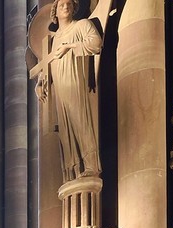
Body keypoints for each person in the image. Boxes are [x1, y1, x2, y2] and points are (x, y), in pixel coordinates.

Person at [32, 0, 103, 181]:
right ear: (54, 11)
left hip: (74, 79)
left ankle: (91, 165)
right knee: (65, 130)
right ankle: (72, 171)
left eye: (69, 3)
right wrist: (40, 84)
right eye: (62, 4)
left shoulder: (81, 25)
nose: (66, 6)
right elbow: (46, 66)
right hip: (60, 87)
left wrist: (70, 46)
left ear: (74, 8)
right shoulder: (53, 40)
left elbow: (96, 44)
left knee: (80, 120)